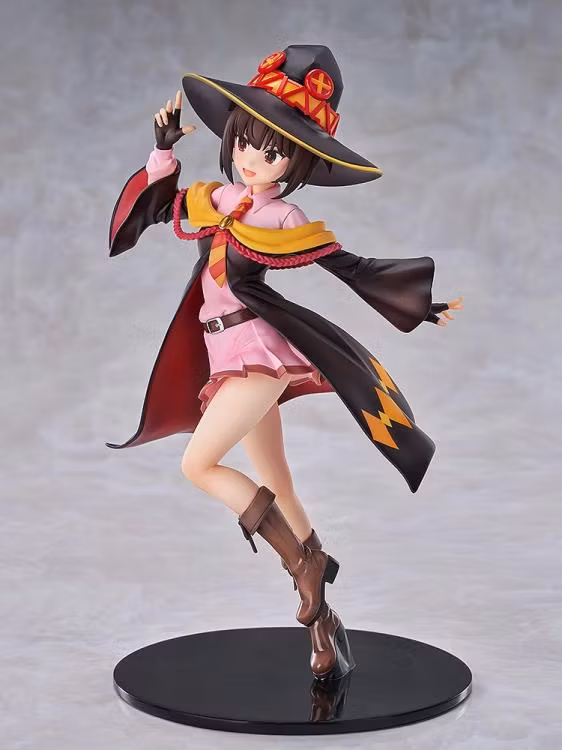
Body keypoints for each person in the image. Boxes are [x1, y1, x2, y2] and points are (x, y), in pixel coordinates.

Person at [107, 45, 464, 682]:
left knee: (198, 464)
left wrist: (420, 305)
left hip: (257, 357)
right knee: (279, 481)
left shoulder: (282, 217)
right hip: (222, 354)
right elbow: (158, 208)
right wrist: (163, 151)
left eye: (272, 153)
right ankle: (323, 624)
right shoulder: (217, 199)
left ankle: (305, 567)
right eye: (246, 142)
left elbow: (348, 266)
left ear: (296, 163)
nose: (253, 158)